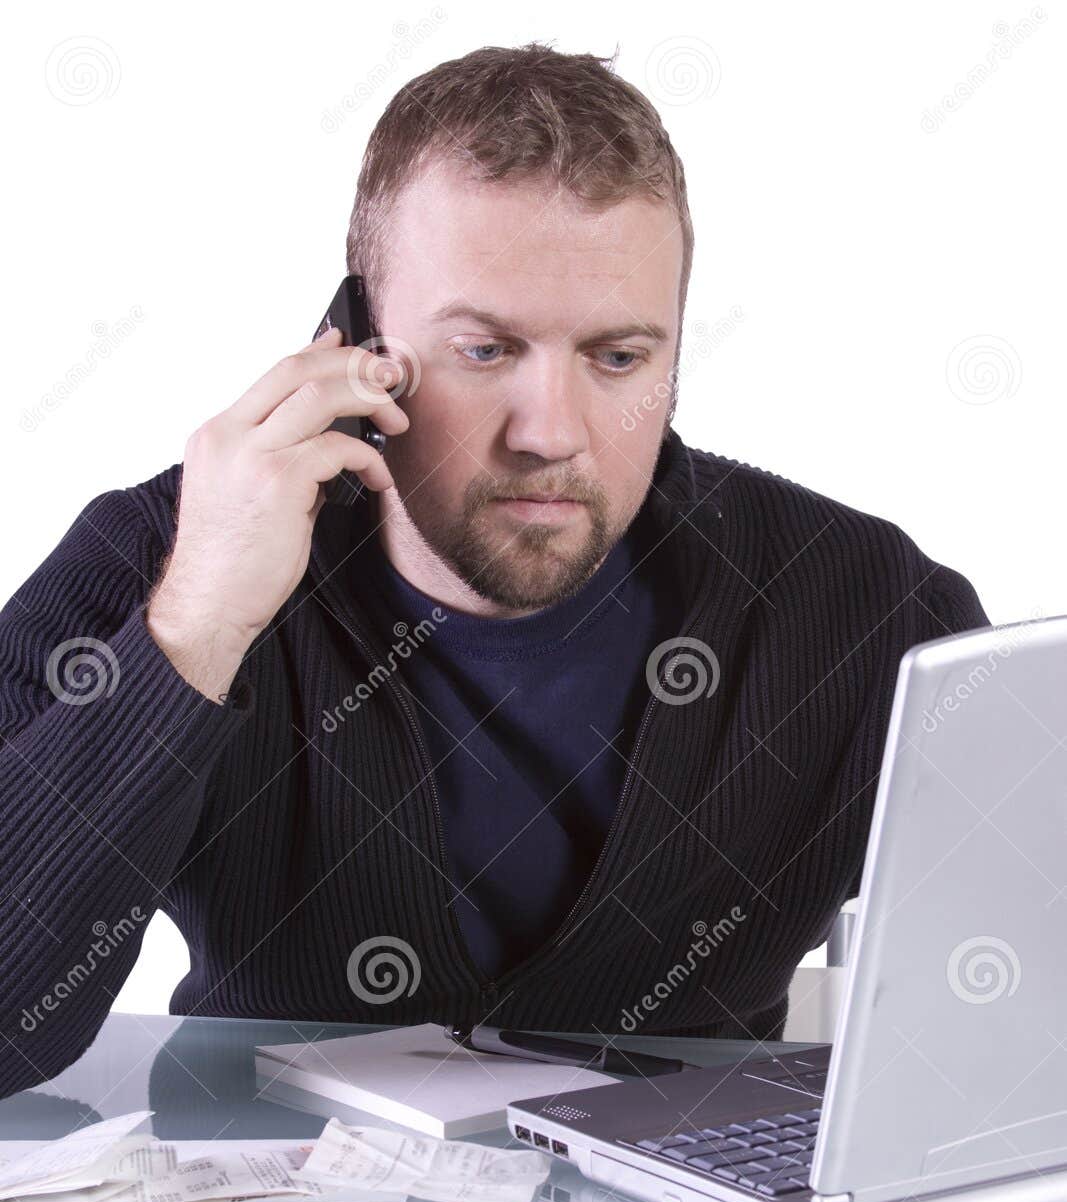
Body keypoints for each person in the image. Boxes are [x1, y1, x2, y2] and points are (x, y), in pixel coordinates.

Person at [0, 43, 989, 1100]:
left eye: (616, 358)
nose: (549, 433)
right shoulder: (161, 562)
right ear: (356, 340)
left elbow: (1012, 1015)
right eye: (483, 351)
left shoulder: (867, 608)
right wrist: (193, 632)